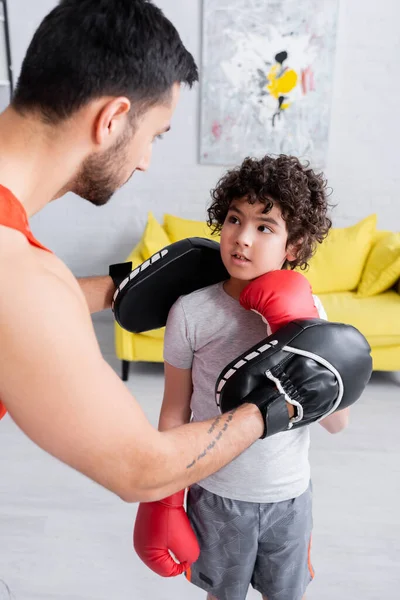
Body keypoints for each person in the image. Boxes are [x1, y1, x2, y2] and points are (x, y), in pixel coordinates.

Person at [0, 0, 268, 504]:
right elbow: (141, 469)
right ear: (113, 118)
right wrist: (276, 405)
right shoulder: (14, 274)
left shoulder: (19, 274)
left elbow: (21, 316)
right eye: (153, 136)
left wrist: (121, 287)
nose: (144, 162)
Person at [134, 155, 350, 600]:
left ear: (294, 245)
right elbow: (174, 411)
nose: (242, 238)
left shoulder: (312, 313)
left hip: (288, 495)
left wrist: (297, 332)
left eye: (264, 227)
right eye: (235, 219)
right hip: (216, 493)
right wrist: (162, 496)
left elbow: (336, 421)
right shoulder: (192, 312)